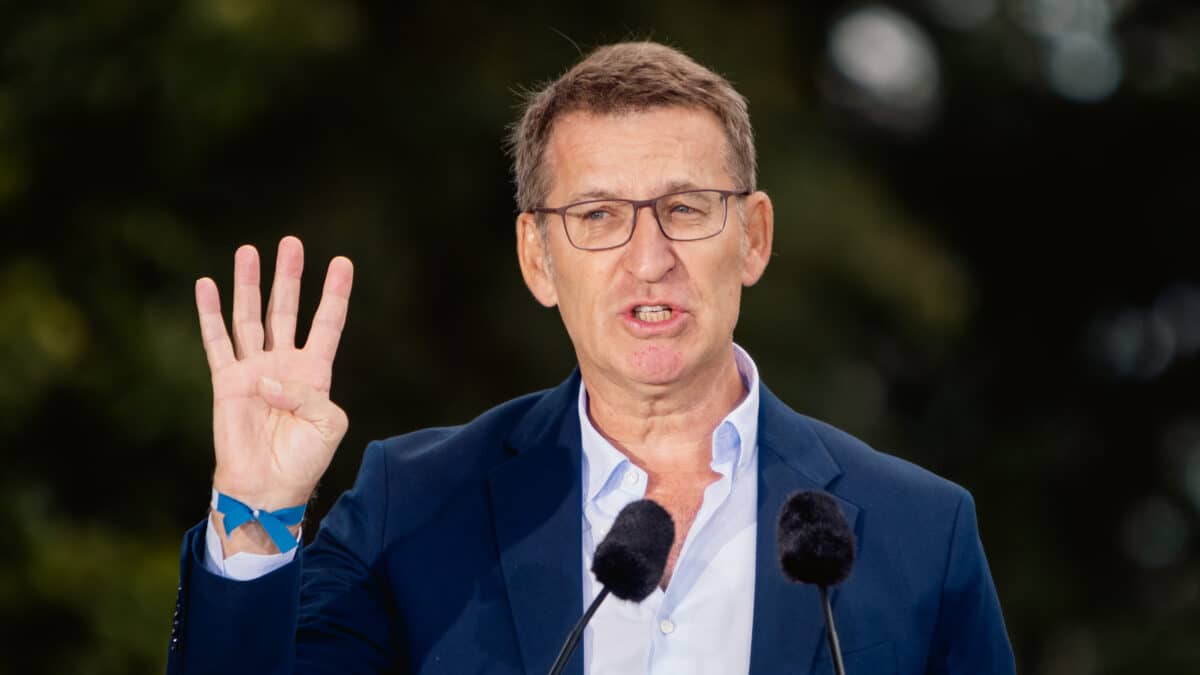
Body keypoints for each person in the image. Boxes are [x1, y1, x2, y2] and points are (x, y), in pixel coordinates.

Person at [168, 41, 1015, 674]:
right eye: (600, 216)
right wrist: (256, 515)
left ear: (753, 238)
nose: (649, 259)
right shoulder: (413, 506)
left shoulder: (920, 532)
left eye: (687, 208)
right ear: (538, 259)